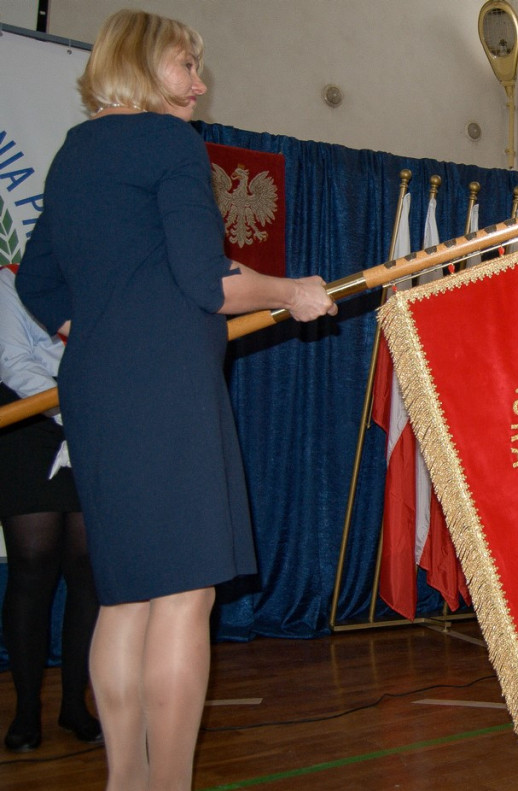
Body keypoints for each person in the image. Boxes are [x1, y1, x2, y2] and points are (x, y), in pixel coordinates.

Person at [15, 9, 337, 789]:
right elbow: (209, 280)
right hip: (165, 390)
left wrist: (90, 325)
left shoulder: (74, 152)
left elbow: (35, 279)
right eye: (184, 66)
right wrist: (292, 290)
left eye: (198, 68)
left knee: (126, 597)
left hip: (96, 390)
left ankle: (128, 782)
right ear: (138, 65)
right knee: (184, 597)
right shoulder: (168, 143)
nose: (198, 83)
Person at [0, 264, 101, 752]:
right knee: (32, 569)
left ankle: (73, 704)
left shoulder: (98, 283)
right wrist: (73, 411)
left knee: (87, 571)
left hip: (90, 422)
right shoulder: (8, 282)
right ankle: (24, 711)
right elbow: (15, 363)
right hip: (27, 425)